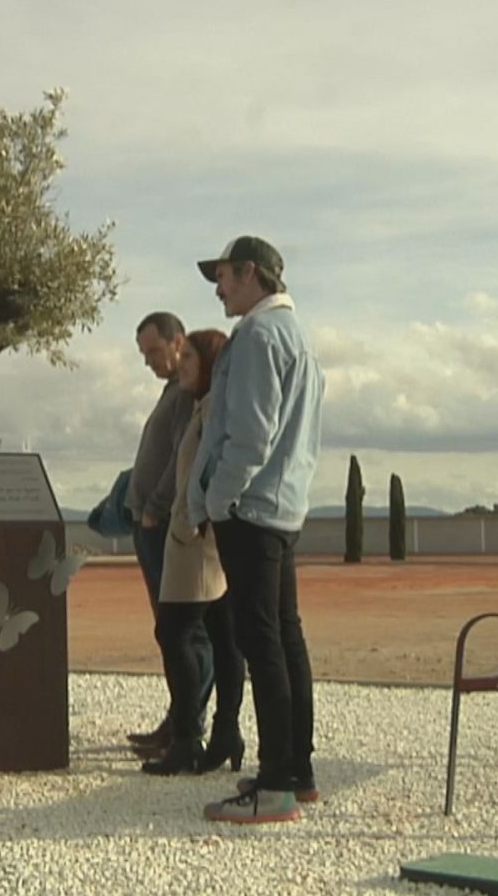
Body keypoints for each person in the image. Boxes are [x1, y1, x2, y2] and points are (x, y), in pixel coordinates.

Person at [188, 236, 325, 825]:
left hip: (251, 510)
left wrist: (218, 501)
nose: (217, 289)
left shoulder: (258, 337)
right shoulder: (297, 336)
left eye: (222, 276)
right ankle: (296, 772)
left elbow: (248, 436)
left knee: (261, 643)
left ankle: (273, 788)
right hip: (282, 508)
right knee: (284, 638)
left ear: (250, 273)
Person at [142, 328, 246, 776]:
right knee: (222, 636)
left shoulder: (213, 410)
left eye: (189, 359)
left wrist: (189, 518)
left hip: (196, 542)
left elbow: (210, 471)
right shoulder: (203, 406)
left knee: (175, 633)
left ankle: (187, 738)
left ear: (209, 364)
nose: (180, 366)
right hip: (196, 537)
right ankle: (224, 733)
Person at [123, 312, 207, 755]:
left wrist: (154, 510)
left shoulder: (187, 393)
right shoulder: (172, 390)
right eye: (144, 355)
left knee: (183, 633)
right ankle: (178, 720)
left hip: (163, 528)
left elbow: (181, 458)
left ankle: (186, 725)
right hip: (149, 525)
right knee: (170, 631)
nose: (149, 362)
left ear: (178, 342)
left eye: (154, 351)